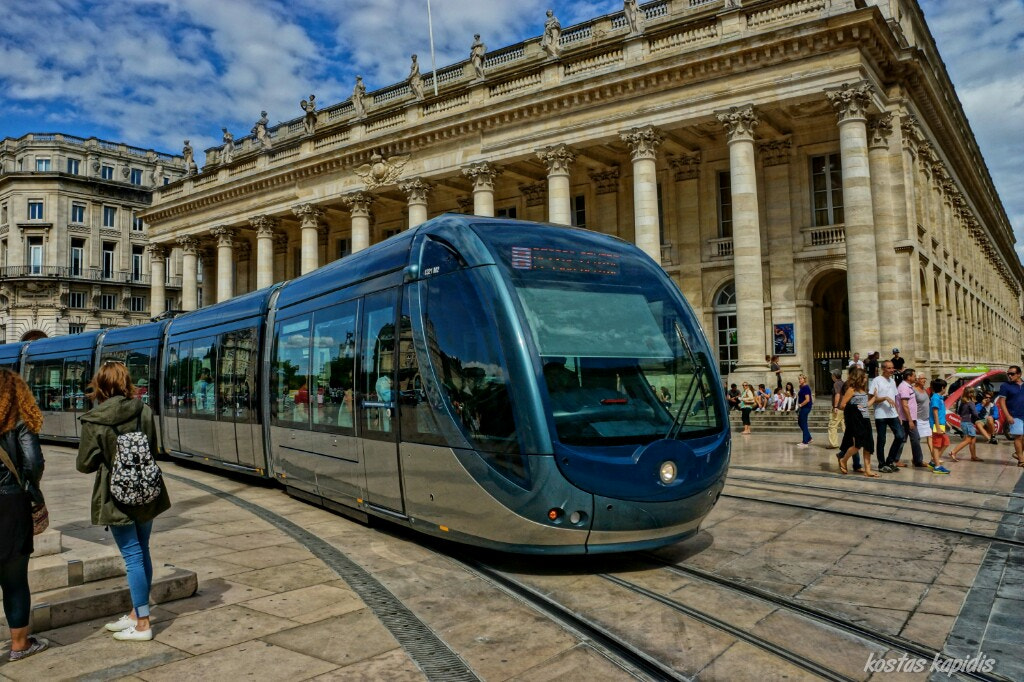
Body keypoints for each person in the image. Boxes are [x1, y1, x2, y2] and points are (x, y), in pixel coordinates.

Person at [77, 360, 170, 641]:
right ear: (126, 381)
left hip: (115, 496)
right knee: (142, 550)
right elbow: (153, 448)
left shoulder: (95, 420)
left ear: (100, 385)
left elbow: (84, 464)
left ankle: (142, 624)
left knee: (132, 557)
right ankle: (135, 613)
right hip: (146, 491)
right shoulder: (144, 410)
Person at [0, 370, 48, 661]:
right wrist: (30, 486)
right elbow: (33, 462)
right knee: (15, 579)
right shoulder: (18, 419)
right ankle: (20, 645)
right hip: (10, 504)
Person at [838, 367, 878, 477]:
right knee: (857, 445)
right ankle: (843, 460)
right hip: (856, 420)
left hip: (865, 419)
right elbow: (842, 405)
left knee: (868, 445)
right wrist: (855, 407)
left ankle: (868, 470)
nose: (866, 380)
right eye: (864, 377)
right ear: (859, 378)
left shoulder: (863, 391)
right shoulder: (851, 390)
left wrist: (874, 398)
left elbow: (864, 406)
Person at [871, 360, 905, 473]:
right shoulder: (876, 380)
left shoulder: (892, 381)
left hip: (892, 414)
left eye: (892, 368)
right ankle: (881, 464)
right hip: (880, 414)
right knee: (882, 439)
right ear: (883, 369)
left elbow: (895, 398)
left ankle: (890, 461)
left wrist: (899, 413)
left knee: (900, 436)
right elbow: (872, 399)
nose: (892, 370)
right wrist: (885, 398)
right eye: (889, 368)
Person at [895, 368, 924, 467]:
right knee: (906, 439)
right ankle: (897, 459)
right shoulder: (904, 387)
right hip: (907, 419)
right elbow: (904, 405)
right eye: (914, 376)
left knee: (912, 439)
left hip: (910, 419)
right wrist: (910, 420)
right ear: (908, 377)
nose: (915, 377)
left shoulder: (908, 386)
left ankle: (917, 460)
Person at [996, 365, 1024, 467]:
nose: (1009, 376)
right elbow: (1002, 402)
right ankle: (1021, 460)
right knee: (1019, 436)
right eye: (1008, 374)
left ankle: (1018, 453)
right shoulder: (1005, 386)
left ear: (1019, 374)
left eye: (1012, 374)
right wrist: (1007, 416)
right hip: (1014, 415)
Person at [950, 387, 982, 462]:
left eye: (972, 392)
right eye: (971, 392)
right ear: (968, 394)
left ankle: (973, 456)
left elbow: (959, 412)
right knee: (968, 440)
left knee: (973, 439)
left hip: (964, 422)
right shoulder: (971, 403)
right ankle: (953, 452)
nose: (972, 394)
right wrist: (979, 417)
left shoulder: (962, 402)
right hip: (968, 423)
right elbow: (975, 413)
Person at [928, 378, 951, 474]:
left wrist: (946, 422)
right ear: (942, 388)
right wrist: (937, 427)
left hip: (941, 424)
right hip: (936, 425)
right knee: (937, 445)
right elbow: (935, 413)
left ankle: (934, 461)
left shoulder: (939, 398)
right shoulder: (935, 398)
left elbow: (941, 413)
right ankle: (937, 466)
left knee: (946, 442)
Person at [796, 374, 813, 447]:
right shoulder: (802, 387)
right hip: (803, 407)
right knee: (800, 422)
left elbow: (807, 399)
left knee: (803, 423)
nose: (800, 380)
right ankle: (809, 438)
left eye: (801, 379)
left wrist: (800, 405)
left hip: (805, 407)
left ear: (804, 379)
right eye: (799, 379)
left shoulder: (806, 387)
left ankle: (805, 441)